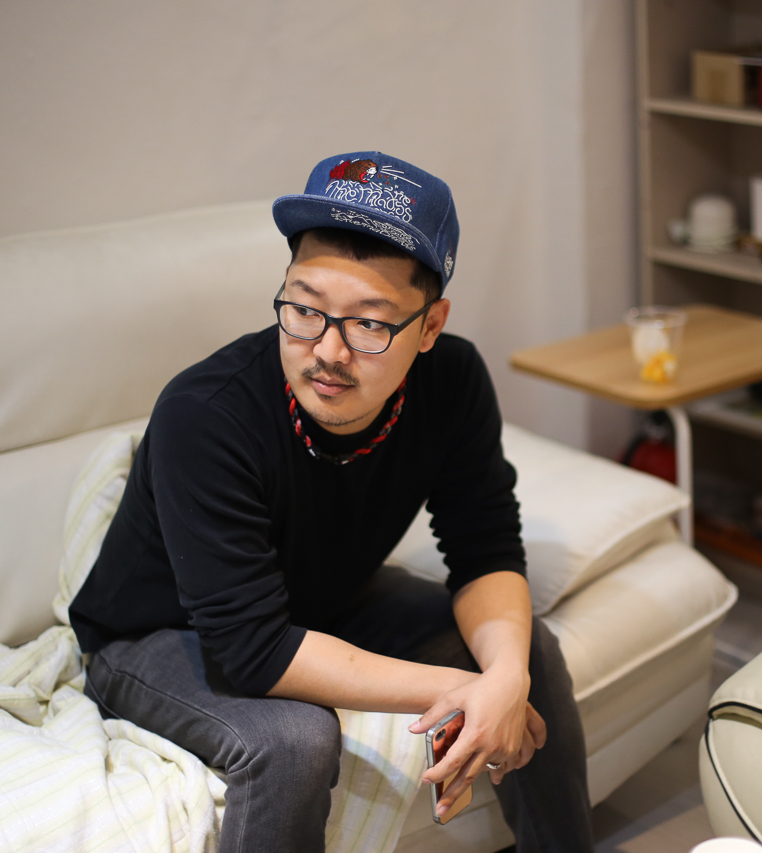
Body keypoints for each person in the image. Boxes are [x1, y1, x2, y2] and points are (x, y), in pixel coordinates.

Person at [68, 151, 595, 853]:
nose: (328, 351)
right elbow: (253, 650)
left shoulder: (453, 380)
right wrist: (472, 690)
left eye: (370, 323)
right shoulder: (206, 414)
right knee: (296, 739)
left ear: (430, 326)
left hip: (318, 598)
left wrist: (505, 677)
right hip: (155, 633)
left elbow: (485, 548)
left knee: (529, 651)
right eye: (304, 308)